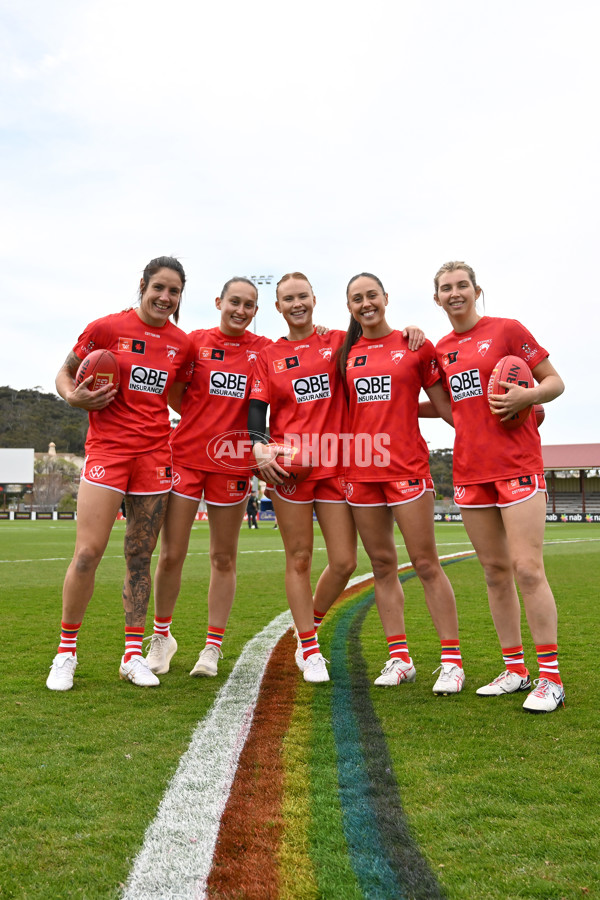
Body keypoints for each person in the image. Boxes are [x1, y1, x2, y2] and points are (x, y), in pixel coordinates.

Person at [249, 272, 425, 684]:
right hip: (289, 466)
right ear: (278, 307)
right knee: (299, 557)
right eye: (288, 299)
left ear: (314, 299)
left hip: (335, 465)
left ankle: (303, 626)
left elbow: (377, 339)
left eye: (303, 297)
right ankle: (309, 648)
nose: (297, 304)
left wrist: (410, 332)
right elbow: (257, 409)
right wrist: (258, 446)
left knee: (344, 561)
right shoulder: (268, 356)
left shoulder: (335, 344)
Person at [46, 256, 194, 691]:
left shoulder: (181, 345)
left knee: (139, 557)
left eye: (175, 291)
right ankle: (66, 652)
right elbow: (64, 373)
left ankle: (133, 655)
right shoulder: (106, 329)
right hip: (108, 452)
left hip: (154, 456)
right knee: (88, 553)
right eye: (159, 288)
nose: (165, 297)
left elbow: (181, 401)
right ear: (143, 285)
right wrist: (74, 398)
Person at [433, 260, 565, 713]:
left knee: (527, 568)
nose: (455, 293)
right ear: (437, 298)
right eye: (446, 288)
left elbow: (554, 381)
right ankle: (515, 669)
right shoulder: (441, 349)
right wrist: (391, 408)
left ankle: (551, 678)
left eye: (462, 285)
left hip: (518, 464)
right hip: (471, 471)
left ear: (476, 290)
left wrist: (527, 396)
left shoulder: (507, 330)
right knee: (493, 571)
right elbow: (453, 405)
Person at [339, 272, 464, 694]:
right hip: (360, 472)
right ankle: (400, 658)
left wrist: (507, 416)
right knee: (382, 566)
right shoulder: (343, 352)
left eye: (371, 295)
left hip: (407, 468)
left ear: (386, 298)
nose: (365, 303)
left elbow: (449, 408)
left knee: (426, 564)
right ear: (350, 307)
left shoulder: (415, 345)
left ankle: (451, 662)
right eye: (357, 298)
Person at [146, 278, 272, 678]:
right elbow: (174, 393)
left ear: (255, 310)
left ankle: (212, 647)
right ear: (219, 301)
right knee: (171, 554)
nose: (240, 309)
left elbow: (308, 349)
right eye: (234, 301)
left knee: (223, 556)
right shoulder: (193, 342)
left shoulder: (264, 349)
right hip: (184, 457)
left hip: (232, 465)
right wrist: (201, 420)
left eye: (249, 305)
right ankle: (162, 637)